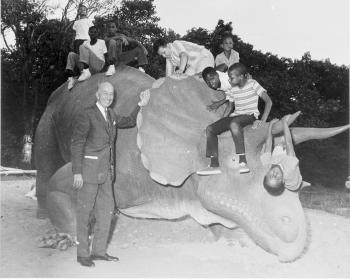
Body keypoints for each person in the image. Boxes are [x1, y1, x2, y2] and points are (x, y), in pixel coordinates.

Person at [70, 82, 140, 267]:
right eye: (105, 93)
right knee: (85, 213)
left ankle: (99, 251)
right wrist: (77, 171)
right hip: (88, 171)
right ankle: (82, 254)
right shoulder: (87, 114)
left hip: (106, 172)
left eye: (111, 94)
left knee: (106, 212)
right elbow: (77, 143)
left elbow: (130, 121)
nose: (109, 97)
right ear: (97, 94)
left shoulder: (112, 114)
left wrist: (140, 104)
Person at [197, 63, 272, 175]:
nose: (230, 81)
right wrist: (221, 121)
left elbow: (269, 102)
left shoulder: (253, 84)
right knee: (210, 129)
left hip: (249, 116)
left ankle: (242, 162)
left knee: (234, 124)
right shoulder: (232, 88)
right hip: (236, 115)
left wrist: (262, 120)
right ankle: (214, 165)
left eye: (231, 78)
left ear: (241, 77)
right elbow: (230, 106)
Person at [260, 114, 303, 195]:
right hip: (294, 185)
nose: (275, 174)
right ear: (283, 180)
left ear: (266, 174)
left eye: (271, 176)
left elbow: (268, 144)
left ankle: (280, 145)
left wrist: (270, 125)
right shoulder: (289, 171)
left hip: (279, 161)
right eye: (277, 178)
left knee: (277, 147)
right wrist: (284, 122)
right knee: (286, 145)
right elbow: (289, 144)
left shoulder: (266, 164)